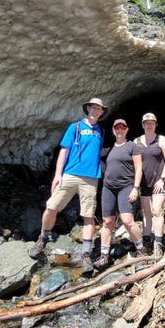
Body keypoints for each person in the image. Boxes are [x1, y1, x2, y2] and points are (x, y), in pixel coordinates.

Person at [29, 97, 108, 275]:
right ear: (88, 109)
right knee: (51, 207)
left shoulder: (101, 132)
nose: (95, 110)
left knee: (88, 216)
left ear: (102, 112)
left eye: (99, 108)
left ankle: (86, 254)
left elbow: (96, 152)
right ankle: (43, 238)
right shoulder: (76, 127)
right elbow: (64, 151)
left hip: (91, 179)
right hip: (70, 175)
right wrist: (58, 175)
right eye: (93, 108)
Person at [93, 118, 148, 270]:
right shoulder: (108, 149)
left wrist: (135, 188)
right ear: (113, 130)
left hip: (126, 187)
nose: (120, 129)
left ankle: (141, 249)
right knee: (107, 222)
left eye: (122, 127)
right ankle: (104, 256)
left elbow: (139, 168)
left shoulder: (132, 146)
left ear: (127, 129)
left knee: (127, 220)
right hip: (108, 188)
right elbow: (94, 156)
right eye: (117, 127)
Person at [134, 113, 165, 258]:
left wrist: (162, 179)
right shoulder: (136, 141)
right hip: (144, 183)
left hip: (158, 181)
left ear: (155, 125)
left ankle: (158, 243)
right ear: (143, 125)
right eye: (146, 123)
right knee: (147, 213)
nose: (149, 125)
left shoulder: (161, 140)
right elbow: (133, 163)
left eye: (152, 123)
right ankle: (147, 240)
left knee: (157, 211)